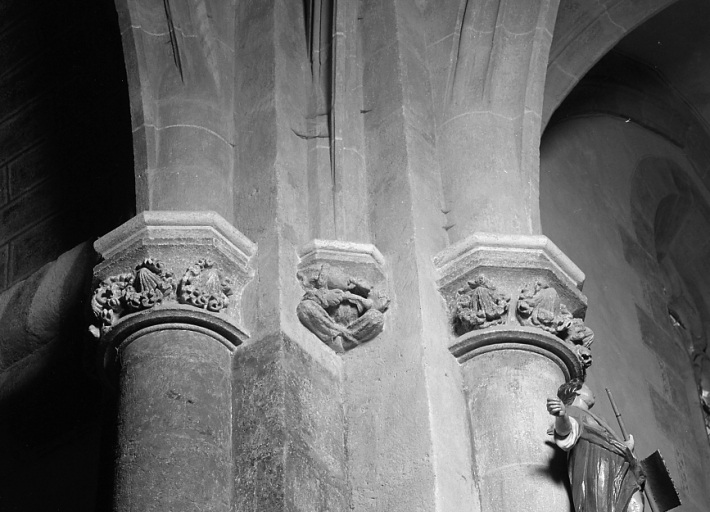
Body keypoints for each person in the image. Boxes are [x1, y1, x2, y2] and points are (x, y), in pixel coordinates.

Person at [547, 379, 646, 512]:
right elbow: (565, 431)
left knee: (636, 507)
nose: (593, 393)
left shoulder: (597, 418)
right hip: (597, 465)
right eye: (587, 388)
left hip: (619, 465)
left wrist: (625, 447)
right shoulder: (572, 411)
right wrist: (562, 416)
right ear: (577, 392)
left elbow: (607, 440)